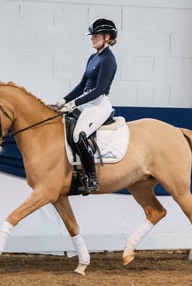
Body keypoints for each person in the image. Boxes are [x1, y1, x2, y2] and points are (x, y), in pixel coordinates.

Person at [56, 18, 118, 194]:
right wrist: (63, 100)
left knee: (79, 134)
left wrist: (75, 103)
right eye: (92, 36)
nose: (92, 38)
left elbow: (98, 90)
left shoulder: (108, 59)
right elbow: (82, 85)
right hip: (86, 103)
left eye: (96, 35)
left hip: (99, 105)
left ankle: (91, 178)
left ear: (107, 37)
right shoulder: (93, 57)